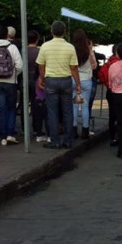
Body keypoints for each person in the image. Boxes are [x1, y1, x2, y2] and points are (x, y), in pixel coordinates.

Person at [36, 21, 81, 149]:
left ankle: (54, 140)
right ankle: (68, 140)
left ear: (51, 31)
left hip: (51, 81)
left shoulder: (45, 46)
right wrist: (78, 84)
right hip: (66, 81)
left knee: (52, 112)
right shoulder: (70, 47)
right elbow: (74, 68)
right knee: (67, 111)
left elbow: (41, 66)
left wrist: (42, 78)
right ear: (65, 32)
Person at [0, 25, 23, 146]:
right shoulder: (12, 47)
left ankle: (3, 133)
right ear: (7, 35)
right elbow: (20, 66)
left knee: (2, 108)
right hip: (10, 82)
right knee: (11, 107)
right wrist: (13, 75)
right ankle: (10, 134)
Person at [72, 29, 97, 140]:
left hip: (74, 80)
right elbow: (94, 66)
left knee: (75, 105)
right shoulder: (88, 51)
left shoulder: (72, 50)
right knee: (85, 106)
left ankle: (74, 130)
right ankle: (85, 131)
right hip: (86, 80)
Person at [27, 30, 48, 141]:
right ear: (37, 39)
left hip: (24, 81)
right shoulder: (39, 51)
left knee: (24, 105)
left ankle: (25, 128)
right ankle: (37, 129)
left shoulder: (22, 51)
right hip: (36, 81)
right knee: (38, 106)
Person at [98, 45, 120, 146]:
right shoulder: (121, 63)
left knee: (112, 116)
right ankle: (121, 136)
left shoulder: (107, 64)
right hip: (121, 92)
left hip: (110, 91)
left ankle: (113, 137)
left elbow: (101, 76)